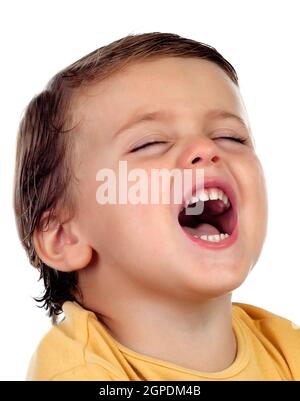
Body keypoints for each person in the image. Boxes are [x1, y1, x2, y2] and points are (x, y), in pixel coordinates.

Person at [14, 32, 300, 381]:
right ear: (64, 237)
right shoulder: (76, 370)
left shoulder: (285, 347)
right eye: (150, 143)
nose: (206, 149)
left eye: (230, 137)